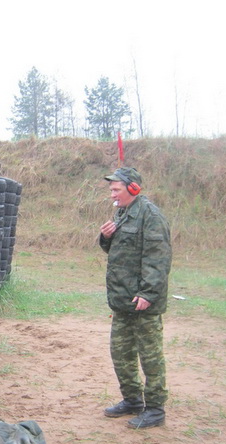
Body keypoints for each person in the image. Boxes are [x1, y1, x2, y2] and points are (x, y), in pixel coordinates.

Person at [99, 167, 172, 429]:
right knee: (121, 352)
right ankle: (132, 400)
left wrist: (148, 293)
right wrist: (105, 237)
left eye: (116, 189)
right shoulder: (122, 213)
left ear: (133, 188)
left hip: (143, 302)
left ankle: (155, 409)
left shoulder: (150, 216)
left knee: (149, 356)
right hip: (123, 300)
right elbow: (118, 250)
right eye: (111, 190)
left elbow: (158, 258)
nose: (112, 195)